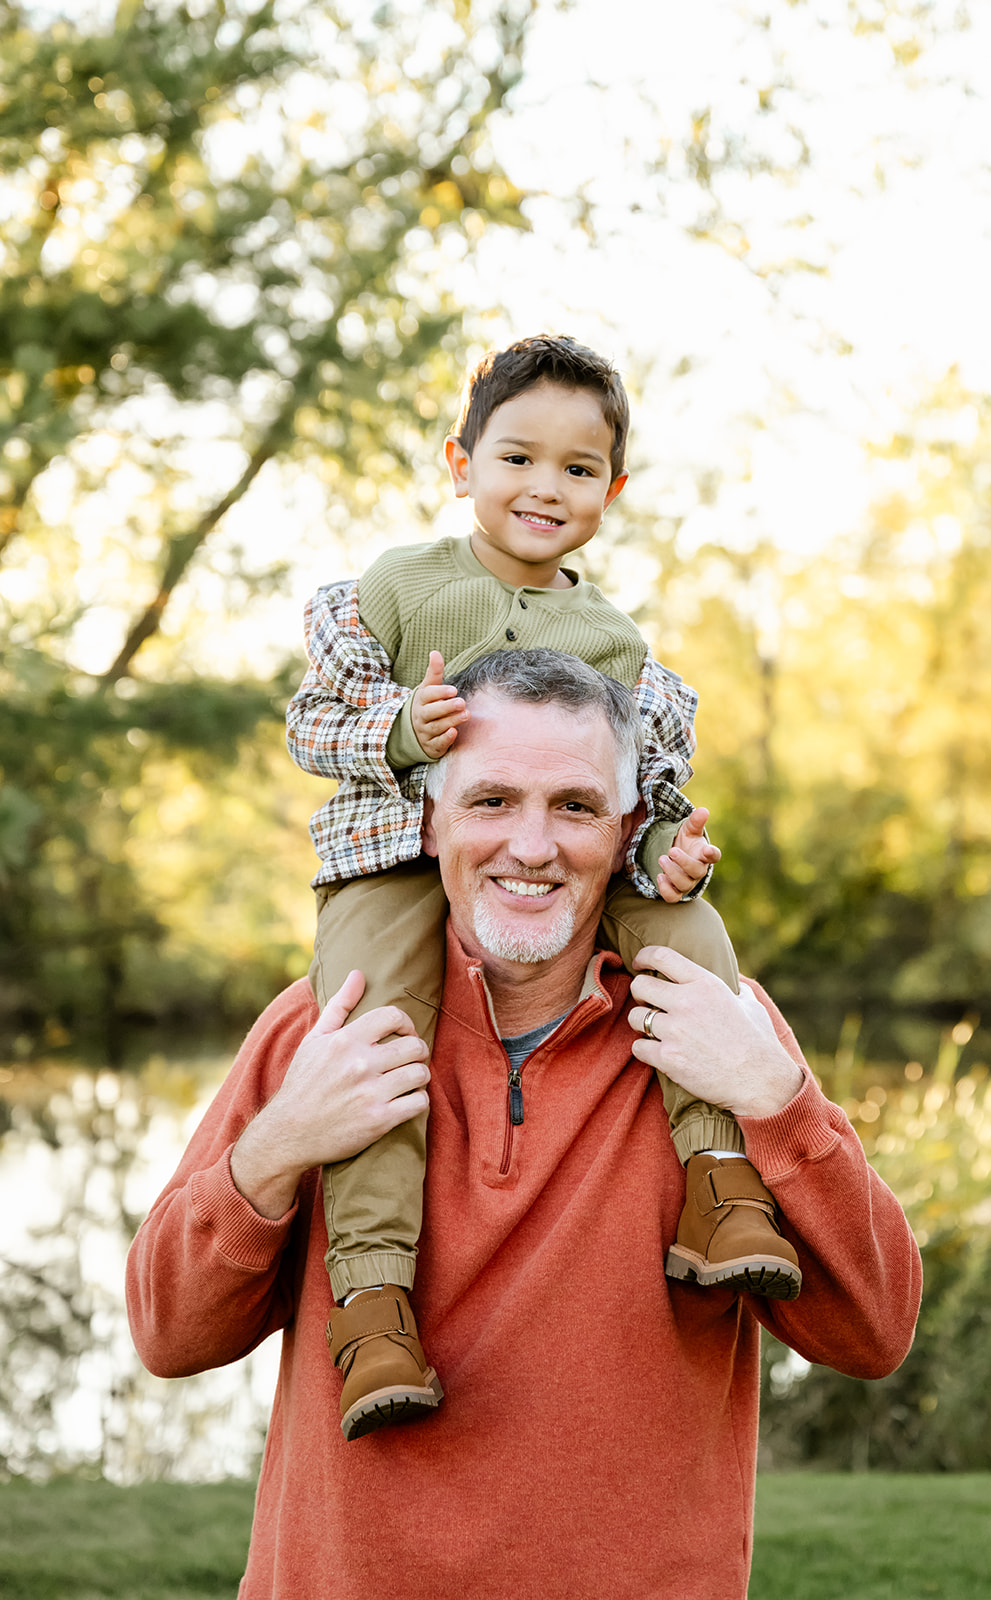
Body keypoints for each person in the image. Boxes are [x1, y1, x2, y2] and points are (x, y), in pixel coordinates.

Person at [126, 650, 922, 1600]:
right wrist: (276, 1147)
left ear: (630, 826)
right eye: (492, 800)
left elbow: (872, 1332)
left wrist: (774, 1098)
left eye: (575, 806)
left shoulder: (714, 1024)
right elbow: (168, 1336)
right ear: (428, 818)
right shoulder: (322, 1026)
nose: (533, 846)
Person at [285, 335, 799, 1439]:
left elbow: (642, 787)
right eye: (516, 457)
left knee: (688, 926)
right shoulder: (390, 591)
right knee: (372, 1029)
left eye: (577, 470)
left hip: (564, 870)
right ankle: (373, 1298)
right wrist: (395, 730)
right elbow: (309, 725)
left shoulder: (612, 641)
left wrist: (663, 842)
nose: (543, 488)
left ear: (611, 492)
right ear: (458, 461)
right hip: (394, 855)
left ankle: (719, 1186)